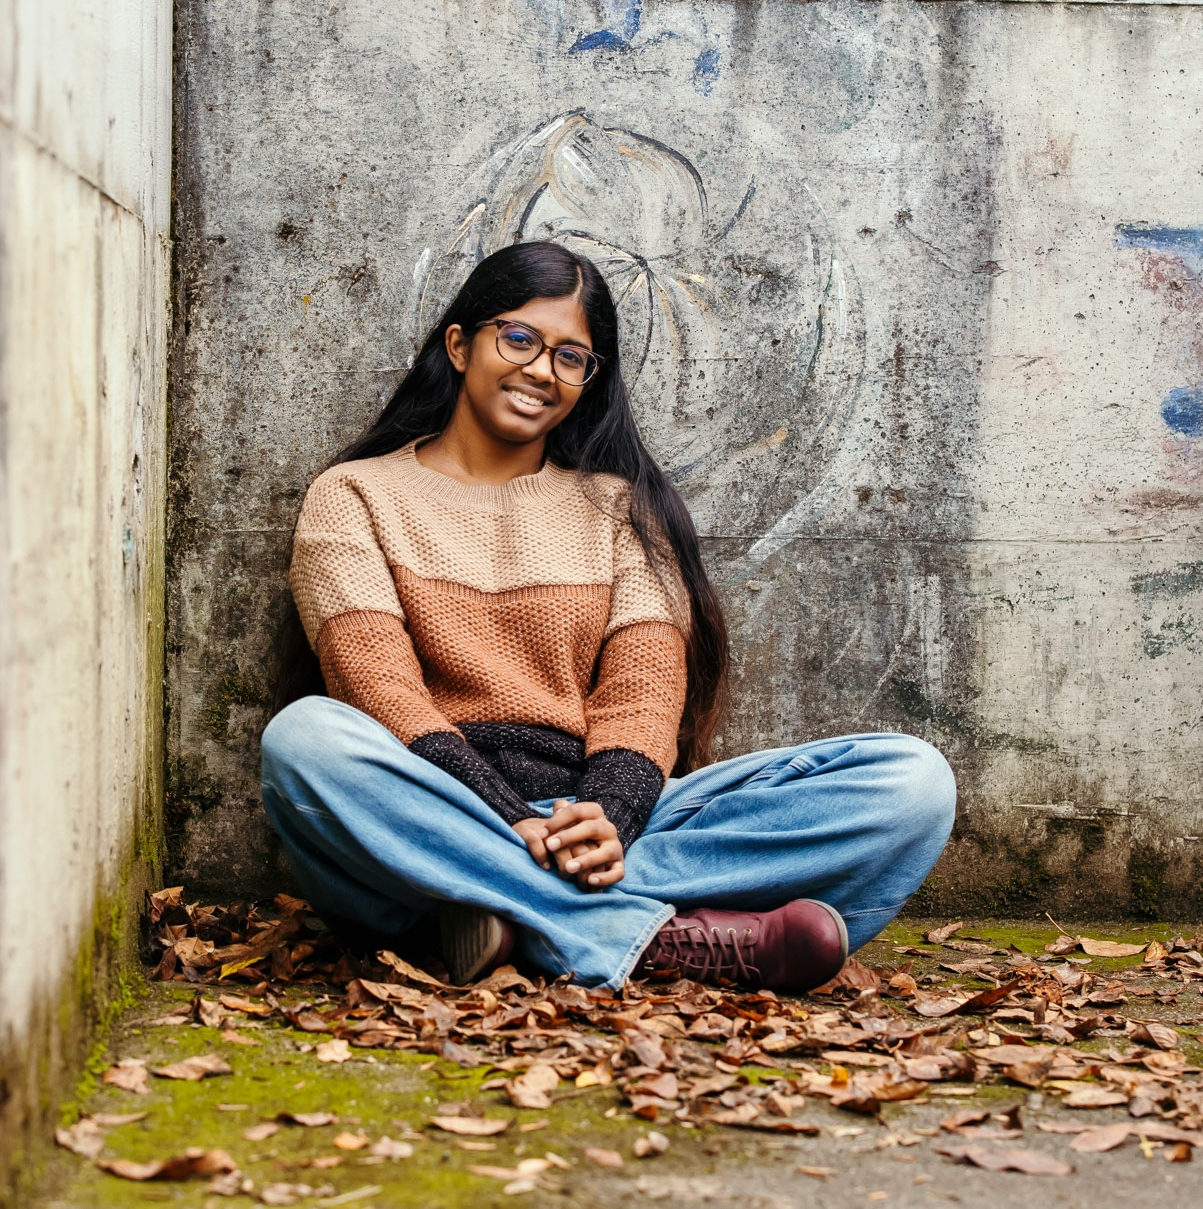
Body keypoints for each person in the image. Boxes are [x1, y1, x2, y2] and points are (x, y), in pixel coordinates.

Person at [258, 241, 956, 992]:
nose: (540, 371)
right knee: (305, 741)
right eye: (519, 338)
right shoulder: (354, 495)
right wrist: (507, 819)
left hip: (603, 817)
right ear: (459, 344)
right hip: (438, 810)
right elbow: (377, 687)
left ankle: (514, 920)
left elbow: (643, 692)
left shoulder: (621, 508)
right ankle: (650, 936)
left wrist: (609, 817)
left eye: (571, 356)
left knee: (912, 783)